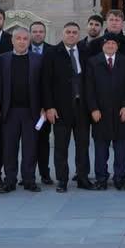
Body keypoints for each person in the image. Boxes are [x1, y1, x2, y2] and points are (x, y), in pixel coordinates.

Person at [0, 27, 43, 193]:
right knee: (9, 148)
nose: (22, 41)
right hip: (9, 111)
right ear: (12, 41)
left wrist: (44, 106)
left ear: (29, 41)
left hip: (31, 111)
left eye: (25, 39)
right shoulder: (2, 59)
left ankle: (29, 180)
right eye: (18, 38)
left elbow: (44, 85)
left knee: (30, 147)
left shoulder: (38, 59)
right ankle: (10, 180)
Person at [43, 21, 92, 191]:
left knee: (83, 146)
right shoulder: (52, 53)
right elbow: (46, 83)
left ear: (78, 35)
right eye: (68, 32)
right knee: (61, 147)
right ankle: (62, 180)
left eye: (74, 32)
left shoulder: (86, 51)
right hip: (60, 109)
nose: (71, 35)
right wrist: (49, 107)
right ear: (62, 34)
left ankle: (83, 178)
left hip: (82, 109)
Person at [85, 32, 125, 189]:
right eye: (107, 43)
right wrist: (93, 108)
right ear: (102, 45)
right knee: (100, 148)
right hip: (101, 112)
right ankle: (101, 178)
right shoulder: (93, 62)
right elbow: (88, 88)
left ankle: (120, 177)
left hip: (120, 112)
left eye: (113, 44)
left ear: (117, 46)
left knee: (121, 148)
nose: (110, 46)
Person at [28, 22, 52, 185]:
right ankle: (27, 174)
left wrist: (47, 105)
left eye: (40, 31)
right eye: (35, 31)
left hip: (44, 106)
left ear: (45, 33)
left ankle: (45, 174)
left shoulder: (53, 51)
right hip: (25, 106)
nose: (37, 34)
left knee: (43, 142)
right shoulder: (22, 48)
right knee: (28, 142)